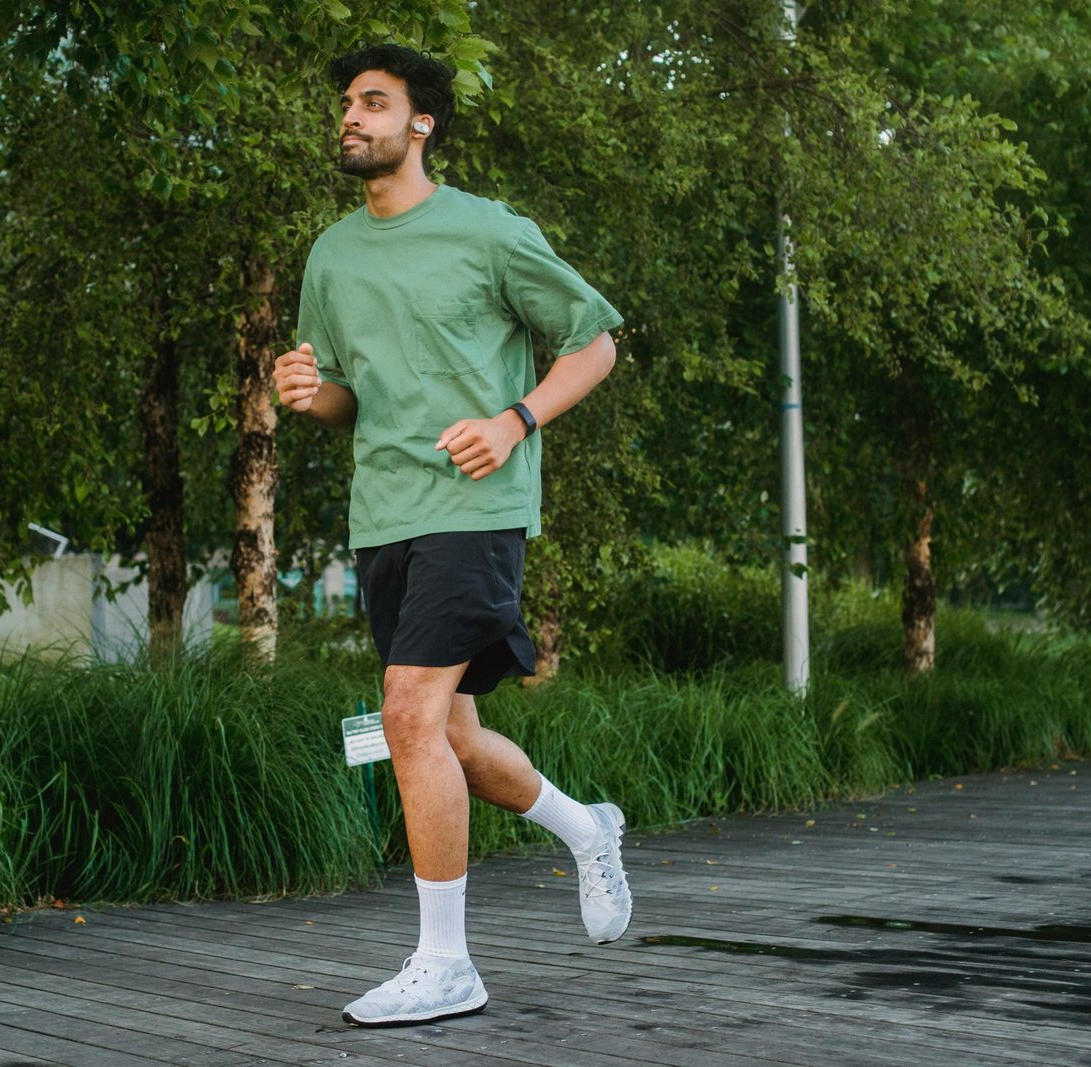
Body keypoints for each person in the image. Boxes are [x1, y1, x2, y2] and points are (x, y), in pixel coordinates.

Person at [271, 43, 633, 1028]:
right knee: (455, 739)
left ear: (419, 124)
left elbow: (592, 341)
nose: (349, 116)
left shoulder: (490, 233)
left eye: (372, 102)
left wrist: (514, 419)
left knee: (405, 716)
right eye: (345, 102)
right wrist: (309, 397)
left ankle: (447, 962)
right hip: (382, 513)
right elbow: (351, 398)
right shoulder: (332, 256)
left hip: (477, 508)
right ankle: (586, 826)